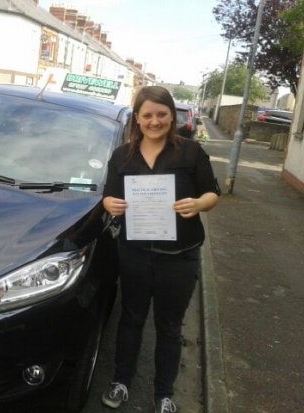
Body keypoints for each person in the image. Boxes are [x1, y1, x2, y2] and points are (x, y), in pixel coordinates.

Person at [101, 86, 220, 413]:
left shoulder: (191, 153)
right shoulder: (122, 156)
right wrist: (109, 202)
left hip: (179, 258)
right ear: (137, 119)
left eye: (161, 114)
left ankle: (164, 394)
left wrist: (198, 203)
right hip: (135, 254)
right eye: (148, 115)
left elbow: (213, 194)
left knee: (169, 326)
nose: (155, 121)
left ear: (172, 115)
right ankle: (121, 381)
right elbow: (109, 198)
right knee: (131, 319)